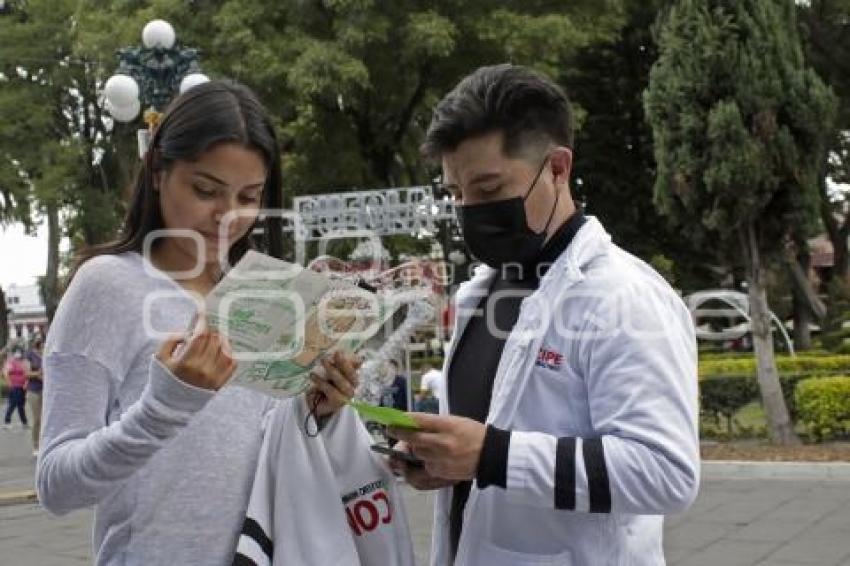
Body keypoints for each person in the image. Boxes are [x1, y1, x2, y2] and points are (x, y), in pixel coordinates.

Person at [36, 80, 360, 566]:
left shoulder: (266, 292)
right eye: (206, 190)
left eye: (249, 197)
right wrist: (164, 408)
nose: (228, 217)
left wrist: (321, 408)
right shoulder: (107, 286)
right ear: (158, 172)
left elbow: (263, 455)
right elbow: (56, 485)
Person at [389, 64, 699, 565]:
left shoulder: (624, 297)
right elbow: (487, 443)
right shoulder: (482, 293)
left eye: (488, 190)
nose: (470, 209)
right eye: (456, 193)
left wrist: (491, 456)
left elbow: (666, 472)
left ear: (558, 168)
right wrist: (445, 460)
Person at [3, 346, 29, 429]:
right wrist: (9, 383)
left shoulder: (24, 362)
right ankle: (7, 422)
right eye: (17, 353)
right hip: (14, 386)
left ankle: (24, 422)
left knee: (21, 405)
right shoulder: (11, 362)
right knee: (13, 404)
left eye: (20, 353)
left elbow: (27, 374)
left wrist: (26, 383)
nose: (19, 354)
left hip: (22, 387)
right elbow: (6, 373)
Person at [26, 337, 44, 456]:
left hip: (46, 390)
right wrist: (38, 374)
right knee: (37, 419)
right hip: (34, 390)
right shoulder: (29, 355)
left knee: (46, 419)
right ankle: (35, 445)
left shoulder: (46, 353)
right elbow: (27, 373)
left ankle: (45, 444)